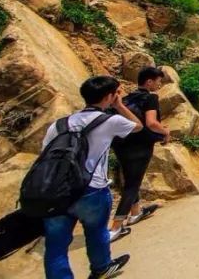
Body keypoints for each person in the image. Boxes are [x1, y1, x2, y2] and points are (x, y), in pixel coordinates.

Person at [42, 76, 143, 279]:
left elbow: (45, 154)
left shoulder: (59, 125)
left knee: (55, 245)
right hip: (92, 189)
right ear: (109, 96)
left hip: (58, 191)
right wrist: (120, 105)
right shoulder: (110, 121)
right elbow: (138, 126)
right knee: (96, 231)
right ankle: (101, 268)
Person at [108, 67, 170, 242]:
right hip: (140, 147)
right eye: (158, 81)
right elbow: (151, 123)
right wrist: (165, 132)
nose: (159, 84)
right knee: (133, 184)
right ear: (149, 82)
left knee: (129, 178)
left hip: (121, 146)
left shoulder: (128, 98)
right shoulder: (151, 98)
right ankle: (116, 226)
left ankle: (135, 212)